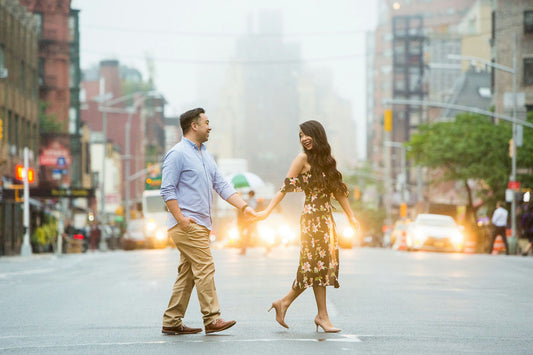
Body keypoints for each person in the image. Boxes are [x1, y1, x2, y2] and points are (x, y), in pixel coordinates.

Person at [256, 120, 359, 333]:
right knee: (314, 266)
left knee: (318, 266)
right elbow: (284, 188)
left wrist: (351, 216)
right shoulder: (302, 158)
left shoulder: (328, 161)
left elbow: (338, 191)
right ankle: (319, 315)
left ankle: (286, 304)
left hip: (326, 220)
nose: (303, 139)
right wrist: (267, 211)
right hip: (311, 220)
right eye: (300, 136)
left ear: (317, 135)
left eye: (306, 134)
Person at [160, 107, 256, 335]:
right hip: (188, 224)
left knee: (188, 274)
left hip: (201, 224)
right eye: (206, 122)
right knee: (205, 267)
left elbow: (221, 185)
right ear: (194, 126)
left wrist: (243, 206)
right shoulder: (178, 154)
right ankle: (212, 318)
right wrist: (181, 219)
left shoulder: (204, 155)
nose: (210, 126)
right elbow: (167, 189)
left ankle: (171, 321)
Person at [239, 190, 258, 255]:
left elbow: (252, 210)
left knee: (248, 236)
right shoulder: (253, 201)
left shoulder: (252, 201)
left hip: (251, 221)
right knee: (251, 235)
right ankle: (243, 250)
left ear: (250, 195)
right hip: (252, 221)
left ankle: (243, 250)